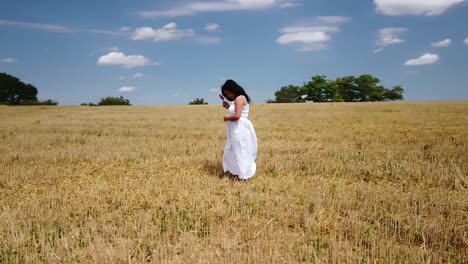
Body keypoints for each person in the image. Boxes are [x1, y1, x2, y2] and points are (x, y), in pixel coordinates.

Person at [220, 79, 257, 180]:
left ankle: (241, 176)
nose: (228, 96)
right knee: (236, 150)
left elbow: (237, 116)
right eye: (226, 94)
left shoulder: (239, 99)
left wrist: (226, 118)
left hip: (239, 128)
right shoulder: (239, 99)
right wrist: (228, 107)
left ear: (233, 89)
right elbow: (236, 113)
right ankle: (238, 173)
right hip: (237, 128)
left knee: (238, 151)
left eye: (228, 93)